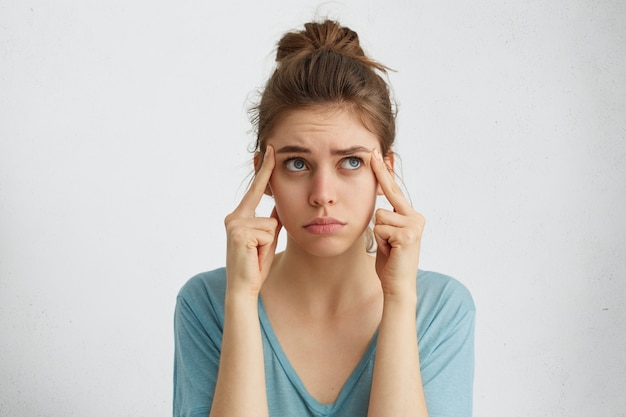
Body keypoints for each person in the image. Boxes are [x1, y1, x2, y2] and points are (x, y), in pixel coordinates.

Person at [173, 20, 475, 417]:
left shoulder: (441, 309)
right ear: (264, 174)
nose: (322, 195)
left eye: (350, 161)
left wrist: (399, 301)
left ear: (384, 172)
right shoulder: (206, 304)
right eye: (297, 163)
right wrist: (241, 301)